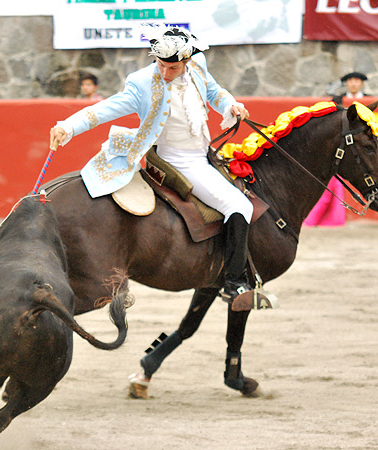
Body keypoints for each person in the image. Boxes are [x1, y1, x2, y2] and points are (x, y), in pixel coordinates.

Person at [49, 24, 253, 301]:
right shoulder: (142, 82)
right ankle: (234, 282)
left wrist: (231, 105)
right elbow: (105, 109)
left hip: (204, 152)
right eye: (160, 66)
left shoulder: (199, 64)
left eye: (172, 68)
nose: (165, 73)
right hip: (178, 160)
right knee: (240, 205)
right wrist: (68, 127)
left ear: (188, 60)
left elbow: (214, 92)